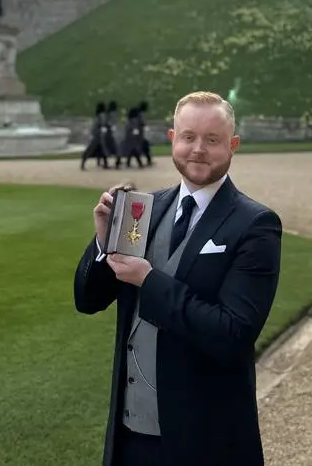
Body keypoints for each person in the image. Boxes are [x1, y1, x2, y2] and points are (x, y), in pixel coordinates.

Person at [73, 90, 283, 466]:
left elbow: (232, 333)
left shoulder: (255, 225)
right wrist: (103, 244)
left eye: (213, 139)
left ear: (233, 146)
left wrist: (149, 280)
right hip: (131, 435)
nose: (198, 149)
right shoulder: (145, 212)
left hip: (206, 439)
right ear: (173, 139)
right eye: (188, 137)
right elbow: (87, 301)